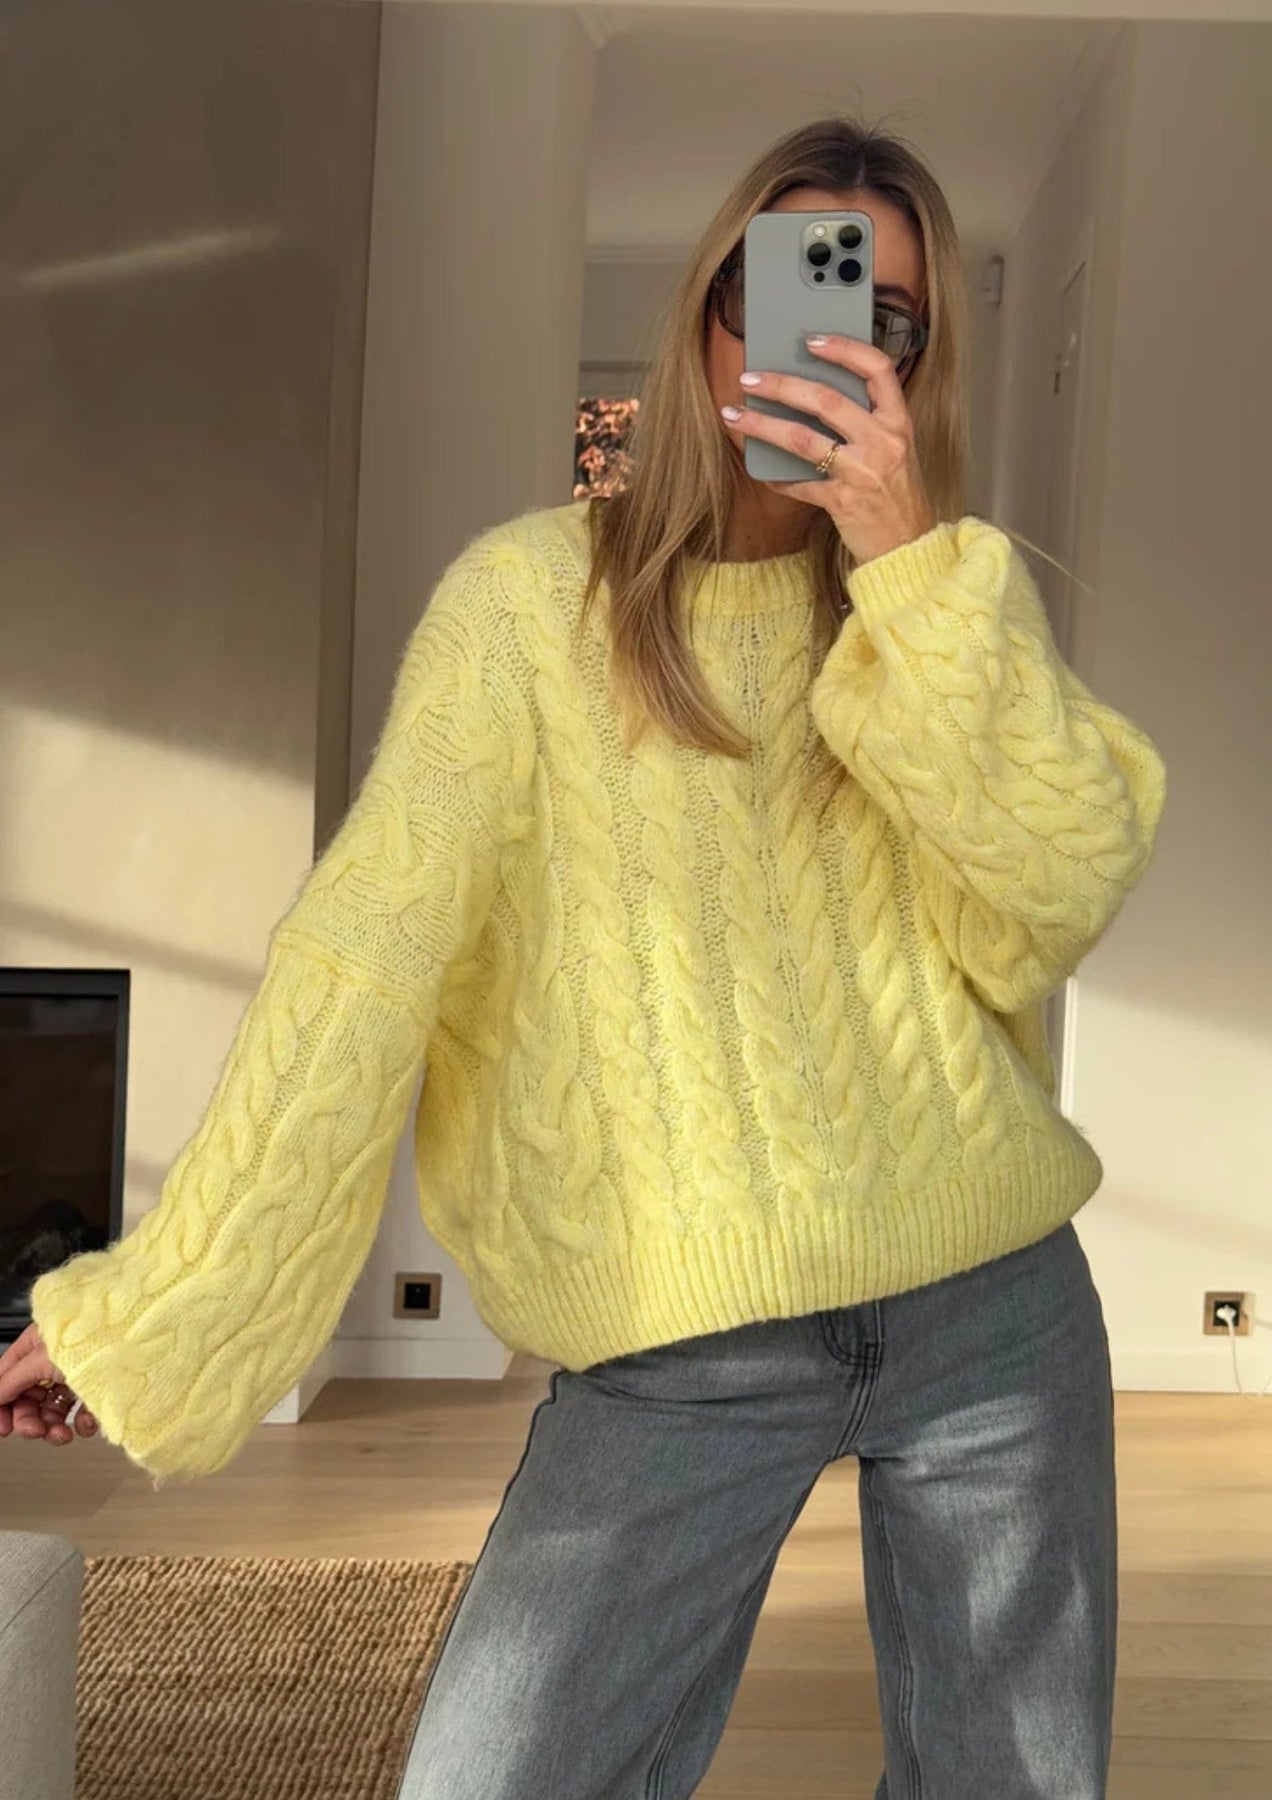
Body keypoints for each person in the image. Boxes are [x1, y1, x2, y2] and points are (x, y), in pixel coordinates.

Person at [0, 116, 1167, 1800]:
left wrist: (912, 569)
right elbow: (360, 965)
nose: (829, 343)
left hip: (992, 1306)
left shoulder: (944, 611)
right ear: (706, 315)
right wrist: (166, 1314)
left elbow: (1059, 892)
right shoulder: (525, 610)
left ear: (924, 368)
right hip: (678, 1339)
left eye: (886, 319)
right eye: (784, 291)